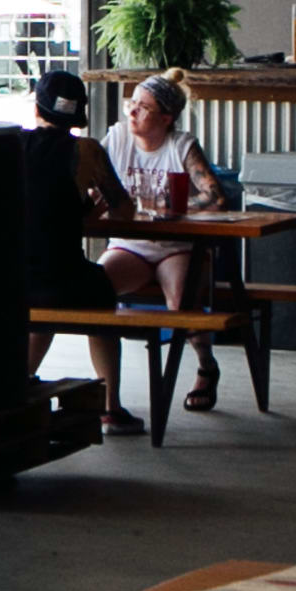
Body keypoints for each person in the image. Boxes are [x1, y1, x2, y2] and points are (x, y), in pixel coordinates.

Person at [95, 72, 230, 428]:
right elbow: (95, 187)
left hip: (176, 245)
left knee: (180, 300)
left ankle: (205, 365)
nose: (133, 112)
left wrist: (171, 203)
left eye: (143, 107)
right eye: (132, 104)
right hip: (131, 244)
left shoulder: (181, 145)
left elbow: (216, 198)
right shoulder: (117, 138)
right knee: (96, 289)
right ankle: (111, 403)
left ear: (166, 118)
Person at [25, 70, 139, 377]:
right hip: (59, 281)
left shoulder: (11, 144)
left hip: (10, 282)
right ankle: (110, 404)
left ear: (37, 109)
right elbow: (124, 212)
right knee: (100, 290)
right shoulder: (85, 150)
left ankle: (20, 383)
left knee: (47, 293)